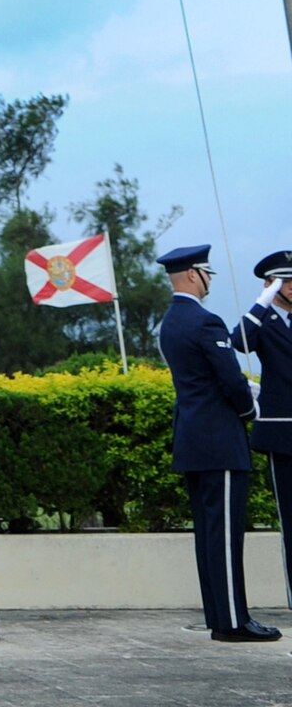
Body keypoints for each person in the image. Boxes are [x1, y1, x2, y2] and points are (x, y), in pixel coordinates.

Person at [157, 241, 281, 643]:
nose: (209, 280)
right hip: (219, 441)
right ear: (193, 274)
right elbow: (229, 380)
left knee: (209, 535)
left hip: (193, 440)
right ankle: (232, 621)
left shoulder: (170, 323)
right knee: (225, 534)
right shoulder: (205, 322)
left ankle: (220, 615)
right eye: (207, 273)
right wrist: (249, 409)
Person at [230, 246, 292, 611]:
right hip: (284, 435)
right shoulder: (263, 322)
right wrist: (263, 301)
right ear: (272, 285)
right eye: (286, 281)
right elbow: (238, 341)